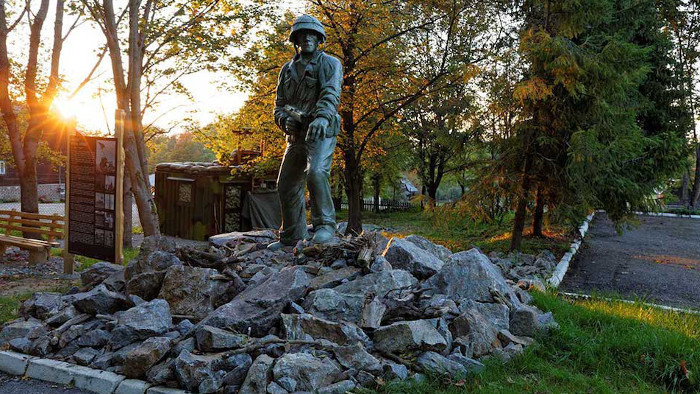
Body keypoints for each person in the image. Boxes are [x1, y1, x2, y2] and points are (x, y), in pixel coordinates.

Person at [268, 14, 343, 250]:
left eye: (312, 34)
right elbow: (279, 105)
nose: (308, 38)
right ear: (296, 40)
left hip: (321, 131)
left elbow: (331, 94)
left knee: (316, 172)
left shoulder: (330, 64)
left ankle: (325, 226)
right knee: (286, 182)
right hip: (297, 134)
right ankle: (291, 235)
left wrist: (321, 117)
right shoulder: (287, 71)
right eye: (303, 35)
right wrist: (284, 121)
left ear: (319, 39)